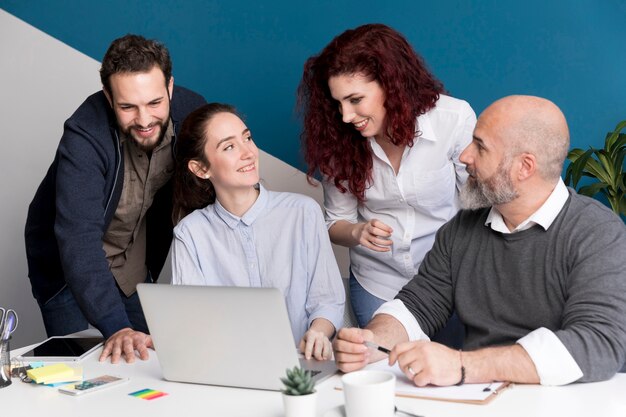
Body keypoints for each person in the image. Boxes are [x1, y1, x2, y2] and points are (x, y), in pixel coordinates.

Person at [333, 95, 626, 386]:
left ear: (524, 167)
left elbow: (598, 343)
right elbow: (418, 304)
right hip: (479, 400)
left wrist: (463, 365)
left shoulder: (597, 233)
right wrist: (371, 340)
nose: (464, 156)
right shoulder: (462, 228)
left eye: (480, 147)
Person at [24, 34, 207, 363]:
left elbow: (215, 182)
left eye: (154, 103)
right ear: (109, 98)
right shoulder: (84, 135)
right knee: (83, 369)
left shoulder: (193, 113)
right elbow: (78, 239)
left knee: (156, 360)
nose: (144, 119)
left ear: (170, 87)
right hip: (69, 268)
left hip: (131, 262)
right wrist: (116, 327)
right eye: (128, 107)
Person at [297, 23, 476, 339]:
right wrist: (356, 231)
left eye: (355, 100)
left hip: (450, 281)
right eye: (338, 103)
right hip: (378, 283)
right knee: (385, 373)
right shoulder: (338, 140)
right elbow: (334, 222)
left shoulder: (453, 119)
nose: (345, 116)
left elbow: (479, 208)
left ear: (391, 85)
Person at [170, 103, 345, 361]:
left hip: (301, 365)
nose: (249, 152)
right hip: (228, 368)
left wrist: (318, 332)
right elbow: (190, 320)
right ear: (200, 169)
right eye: (229, 147)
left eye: (247, 138)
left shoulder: (303, 212)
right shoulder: (191, 233)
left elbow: (327, 300)